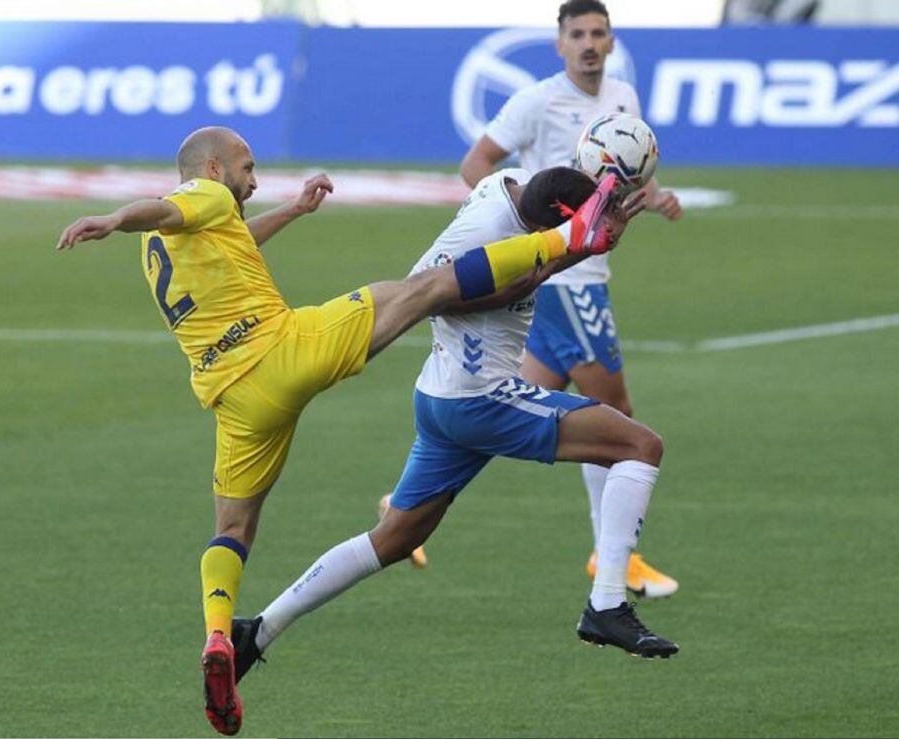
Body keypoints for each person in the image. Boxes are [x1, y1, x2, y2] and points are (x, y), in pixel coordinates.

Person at [55, 127, 625, 736]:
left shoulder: (169, 247)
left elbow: (230, 241)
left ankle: (220, 638)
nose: (255, 181)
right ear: (214, 169)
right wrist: (115, 217)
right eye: (248, 169)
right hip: (286, 351)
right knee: (423, 289)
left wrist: (294, 211)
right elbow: (164, 208)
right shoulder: (204, 196)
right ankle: (566, 236)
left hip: (233, 401)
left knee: (231, 528)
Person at [226, 167, 677, 697]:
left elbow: (541, 250)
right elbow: (428, 290)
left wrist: (587, 238)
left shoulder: (508, 188)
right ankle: (605, 604)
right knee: (639, 446)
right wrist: (566, 253)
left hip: (442, 399)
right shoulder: (488, 229)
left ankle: (256, 633)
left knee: (392, 540)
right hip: (481, 399)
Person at [459, 0, 683, 598]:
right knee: (617, 417)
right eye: (577, 33)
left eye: (598, 33)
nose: (588, 43)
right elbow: (477, 162)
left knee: (498, 410)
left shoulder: (624, 99)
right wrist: (520, 230)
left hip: (589, 271)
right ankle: (612, 558)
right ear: (560, 43)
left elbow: (629, 168)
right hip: (563, 278)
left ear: (611, 42)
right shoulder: (537, 100)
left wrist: (655, 197)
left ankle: (405, 498)